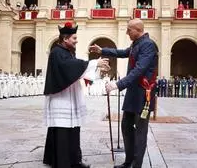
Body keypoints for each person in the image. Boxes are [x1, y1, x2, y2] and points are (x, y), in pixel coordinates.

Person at [89, 18, 157, 168]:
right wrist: (102, 51)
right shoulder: (137, 44)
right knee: (126, 125)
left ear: (138, 30)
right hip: (133, 94)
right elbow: (123, 52)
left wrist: (118, 84)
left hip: (143, 96)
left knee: (140, 131)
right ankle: (128, 161)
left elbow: (139, 70)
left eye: (129, 30)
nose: (126, 32)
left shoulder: (148, 45)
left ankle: (136, 165)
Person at [42, 21, 110, 168]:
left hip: (70, 97)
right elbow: (69, 67)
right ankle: (63, 162)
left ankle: (74, 160)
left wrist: (98, 71)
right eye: (74, 38)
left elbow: (76, 71)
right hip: (61, 98)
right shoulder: (56, 52)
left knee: (73, 130)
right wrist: (94, 63)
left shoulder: (67, 52)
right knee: (62, 131)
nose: (76, 41)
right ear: (65, 39)